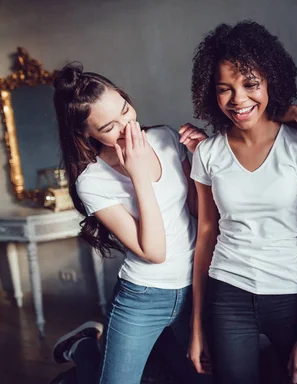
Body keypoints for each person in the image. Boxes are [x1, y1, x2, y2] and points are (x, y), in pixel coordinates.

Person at [49, 64, 208, 383]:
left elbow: (196, 208)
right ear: (86, 133)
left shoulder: (164, 138)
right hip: (143, 296)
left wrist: (203, 156)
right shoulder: (91, 181)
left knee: (195, 378)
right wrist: (137, 175)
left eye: (125, 110)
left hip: (194, 286)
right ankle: (83, 347)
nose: (127, 127)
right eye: (109, 126)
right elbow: (154, 252)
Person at [187, 21, 297, 384]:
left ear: (270, 82)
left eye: (250, 85)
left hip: (291, 294)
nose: (238, 99)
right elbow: (206, 235)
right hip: (228, 292)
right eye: (225, 89)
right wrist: (198, 327)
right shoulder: (208, 154)